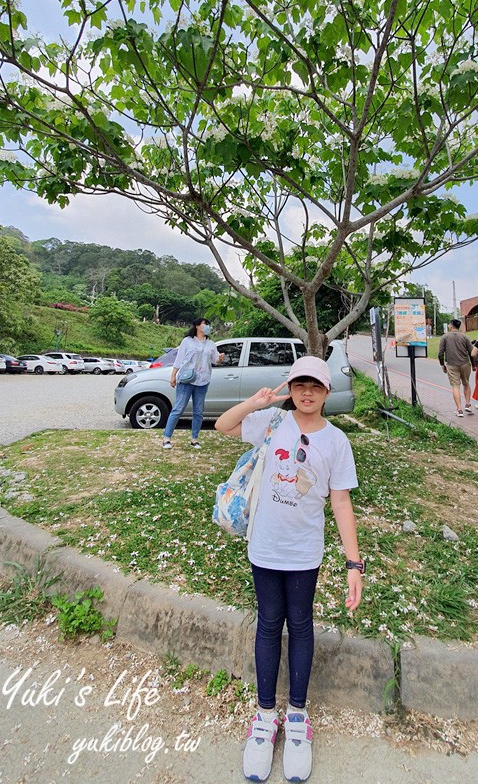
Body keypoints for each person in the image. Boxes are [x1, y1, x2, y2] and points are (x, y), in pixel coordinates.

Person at [215, 356, 363, 783]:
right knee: (267, 624)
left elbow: (340, 503)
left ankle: (296, 715)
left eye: (315, 386)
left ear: (326, 391)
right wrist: (255, 401)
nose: (307, 393)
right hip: (265, 549)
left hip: (303, 554)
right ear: (291, 387)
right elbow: (224, 425)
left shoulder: (336, 442)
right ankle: (265, 717)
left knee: (300, 625)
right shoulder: (270, 422)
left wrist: (354, 564)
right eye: (300, 384)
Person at [162, 318, 223, 450]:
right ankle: (167, 438)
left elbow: (215, 360)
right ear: (197, 326)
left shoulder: (211, 344)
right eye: (205, 324)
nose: (207, 327)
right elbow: (179, 360)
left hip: (203, 381)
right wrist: (173, 376)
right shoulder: (187, 341)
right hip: (186, 379)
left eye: (208, 324)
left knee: (198, 411)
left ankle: (194, 439)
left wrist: (220, 358)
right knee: (178, 408)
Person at [438, 318, 474, 417]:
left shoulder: (445, 337)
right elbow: (471, 352)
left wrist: (442, 365)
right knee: (466, 383)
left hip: (451, 364)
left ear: (451, 326)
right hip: (465, 363)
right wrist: (474, 365)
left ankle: (459, 409)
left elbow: (440, 353)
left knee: (455, 386)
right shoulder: (464, 337)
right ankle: (468, 404)